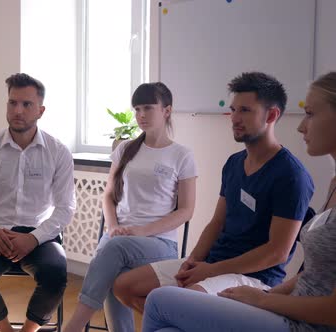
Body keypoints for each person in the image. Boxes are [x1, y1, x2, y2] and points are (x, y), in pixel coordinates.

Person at [141, 71, 336, 332]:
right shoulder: (333, 184)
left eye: (310, 114)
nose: (301, 126)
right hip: (279, 300)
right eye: (233, 109)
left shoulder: (291, 175)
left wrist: (263, 299)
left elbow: (279, 254)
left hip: (295, 317)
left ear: (270, 116)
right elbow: (312, 274)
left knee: (160, 300)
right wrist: (196, 261)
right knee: (162, 321)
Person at [63, 82, 197, 332]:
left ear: (167, 110)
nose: (141, 115)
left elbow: (186, 210)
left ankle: (75, 325)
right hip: (119, 240)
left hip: (160, 243)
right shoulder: (125, 149)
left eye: (148, 107)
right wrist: (113, 226)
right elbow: (109, 196)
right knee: (116, 270)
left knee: (114, 250)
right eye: (137, 109)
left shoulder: (182, 155)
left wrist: (141, 231)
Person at [0, 73, 76, 332]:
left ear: (41, 110)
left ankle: (29, 330)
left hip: (39, 235)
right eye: (12, 103)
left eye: (26, 104)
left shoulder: (58, 152)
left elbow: (65, 208)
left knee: (56, 274)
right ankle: (6, 331)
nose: (18, 110)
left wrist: (34, 238)